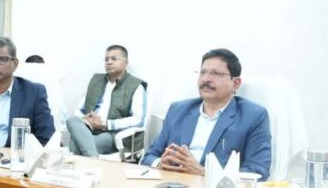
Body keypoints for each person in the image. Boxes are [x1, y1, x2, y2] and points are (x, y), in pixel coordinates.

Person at [142, 48, 271, 178]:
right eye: (202, 72)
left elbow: (258, 171)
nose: (206, 79)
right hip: (171, 184)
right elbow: (149, 156)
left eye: (216, 74)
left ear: (235, 83)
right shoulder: (178, 110)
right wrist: (160, 163)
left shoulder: (253, 116)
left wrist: (205, 173)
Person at [66, 44, 146, 157]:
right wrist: (86, 119)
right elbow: (79, 110)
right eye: (106, 59)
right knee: (72, 120)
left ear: (126, 63)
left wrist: (105, 124)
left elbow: (138, 120)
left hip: (111, 134)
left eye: (114, 59)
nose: (109, 62)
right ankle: (94, 158)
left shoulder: (136, 86)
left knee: (76, 145)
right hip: (88, 129)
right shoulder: (96, 81)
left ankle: (91, 157)